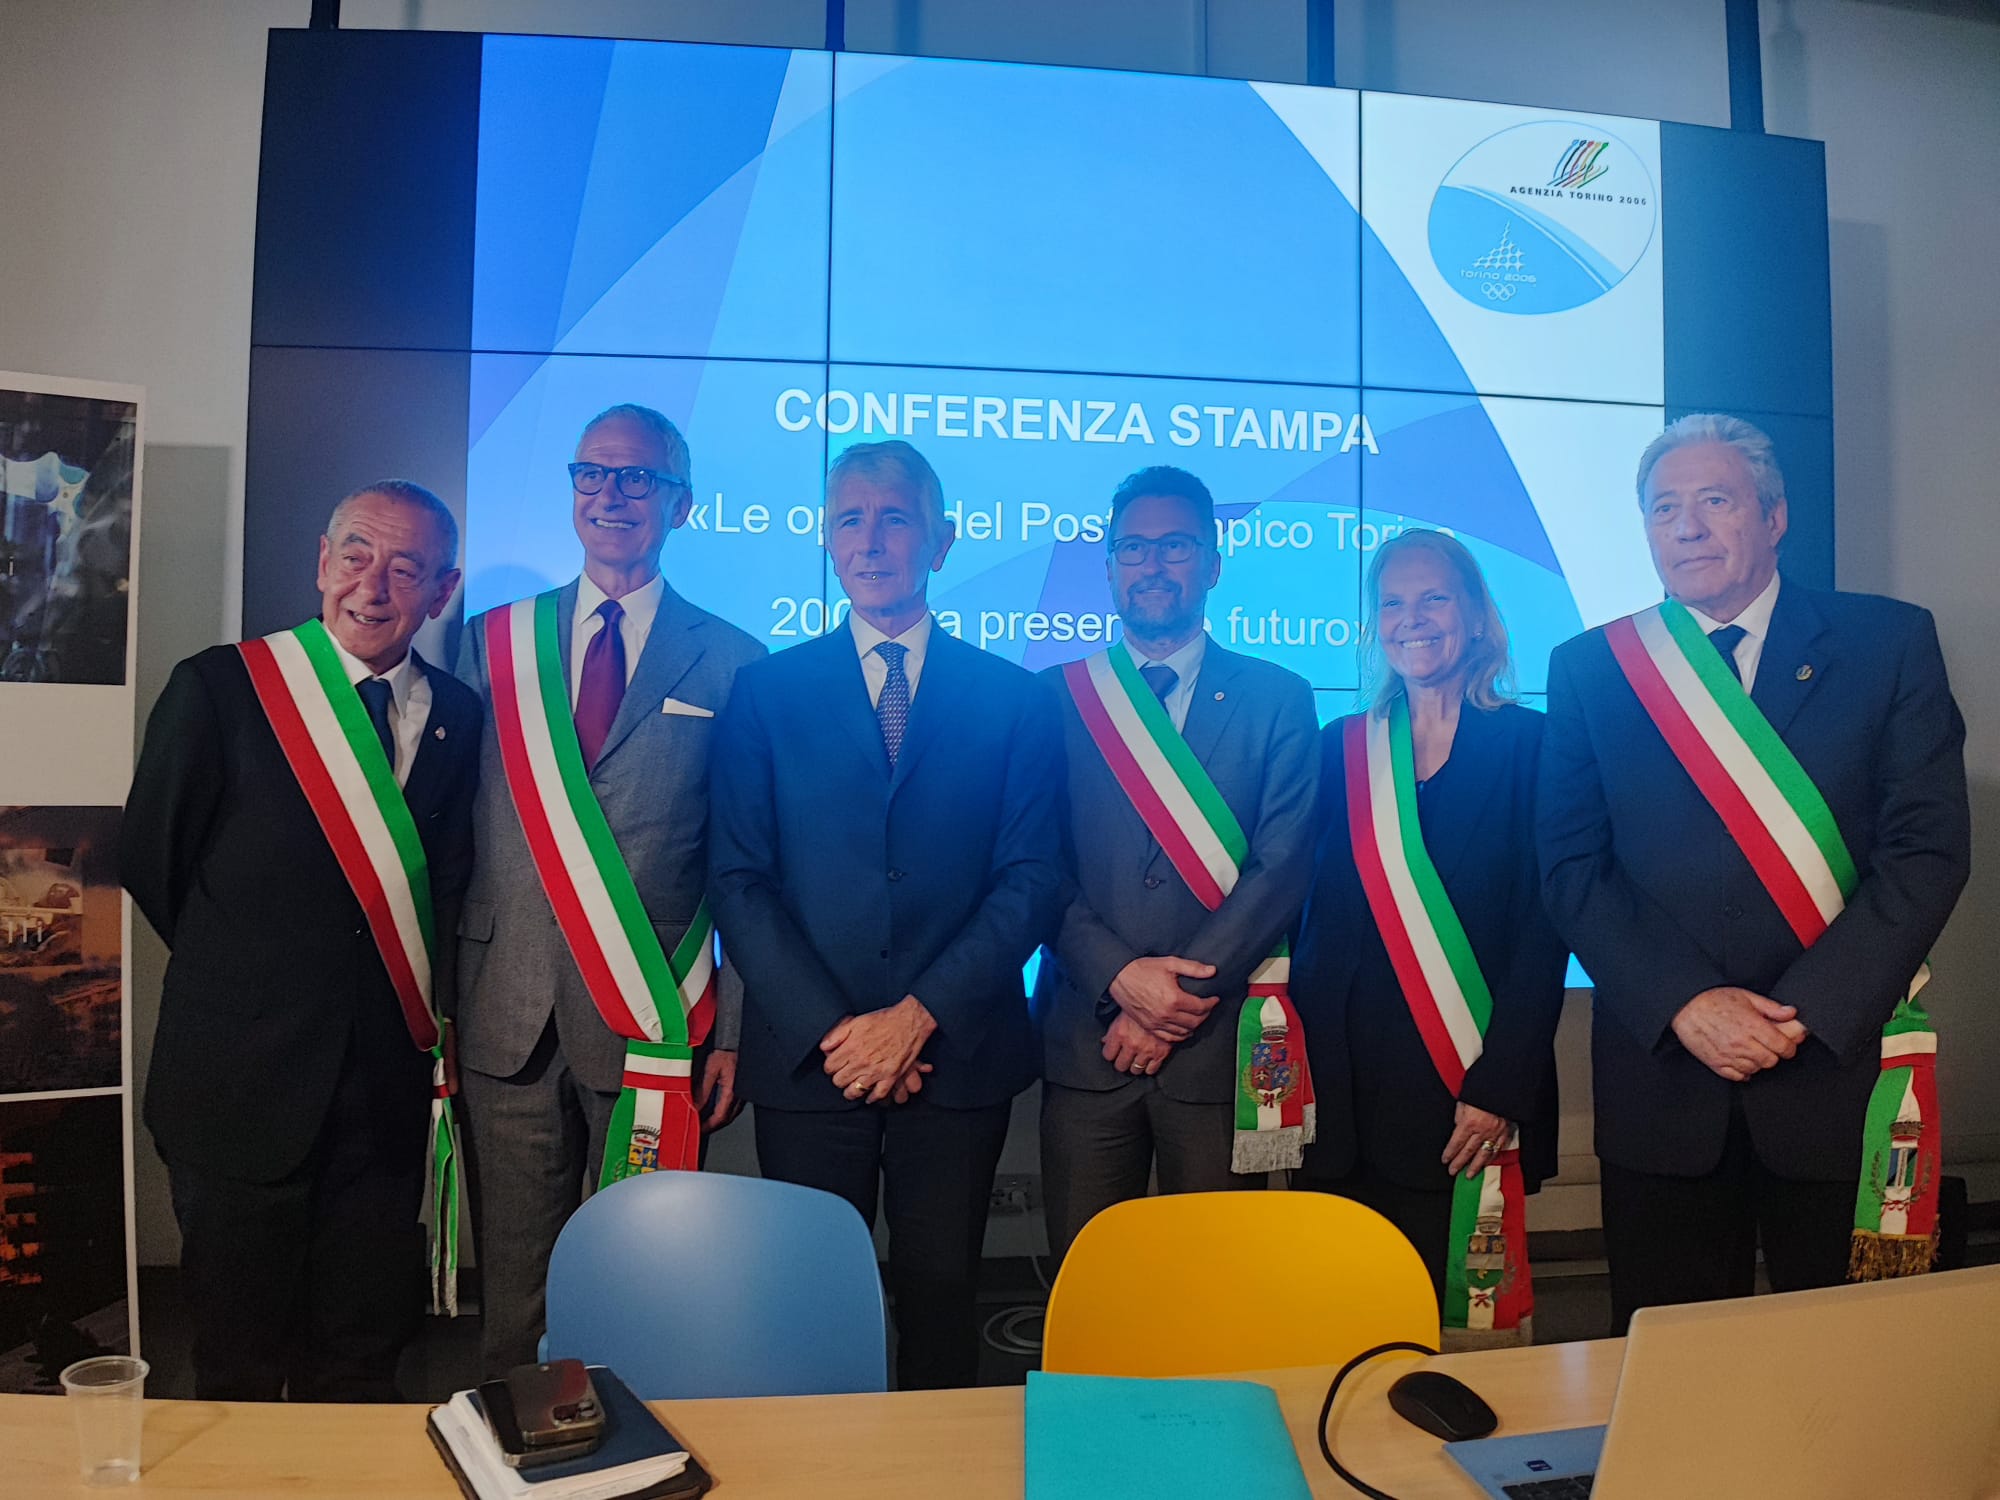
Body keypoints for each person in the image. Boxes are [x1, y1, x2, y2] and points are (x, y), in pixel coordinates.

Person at [1539, 414, 1969, 1331]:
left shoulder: (1888, 642)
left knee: (1851, 1361)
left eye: (1714, 500)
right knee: (1673, 1368)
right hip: (1665, 1079)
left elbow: (1926, 849)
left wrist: (1803, 1012)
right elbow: (1572, 867)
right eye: (1664, 508)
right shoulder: (1593, 668)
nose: (1687, 527)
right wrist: (1688, 1003)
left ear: (1774, 517)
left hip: (1833, 1072)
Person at [710, 439, 1063, 1390]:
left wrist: (915, 1019)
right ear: (828, 541)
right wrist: (843, 1034)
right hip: (811, 1062)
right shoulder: (766, 692)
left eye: (895, 518)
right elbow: (738, 879)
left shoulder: (1014, 698)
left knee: (942, 1298)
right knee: (808, 1307)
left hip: (955, 1056)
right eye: (849, 521)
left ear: (941, 541)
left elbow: (1031, 878)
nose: (870, 540)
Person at [125, 480, 477, 1400]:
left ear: (442, 591)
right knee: (238, 1366)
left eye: (406, 568)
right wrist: (260, 973)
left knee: (361, 1364)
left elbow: (444, 887)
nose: (373, 585)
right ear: (323, 562)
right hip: (237, 1088)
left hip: (380, 1103)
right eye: (356, 555)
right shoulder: (221, 688)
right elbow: (153, 863)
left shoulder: (459, 715)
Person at [454, 404, 764, 1376]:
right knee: (514, 1286)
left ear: (682, 503)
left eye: (638, 478)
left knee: (644, 1279)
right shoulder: (491, 643)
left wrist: (732, 1029)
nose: (611, 495)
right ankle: (524, 1443)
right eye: (592, 473)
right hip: (502, 1011)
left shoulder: (735, 659)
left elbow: (745, 866)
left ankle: (642, 1441)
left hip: (654, 1017)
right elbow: (443, 834)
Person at [1036, 465, 1318, 1266]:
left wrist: (1172, 1001)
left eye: (1176, 546)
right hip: (1089, 1045)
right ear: (1108, 567)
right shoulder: (1056, 698)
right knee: (1092, 1291)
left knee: (1220, 1291)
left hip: (1217, 1051)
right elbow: (1034, 865)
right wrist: (1121, 980)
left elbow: (1284, 866)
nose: (1152, 565)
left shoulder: (1279, 696)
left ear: (1214, 563)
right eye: (1132, 548)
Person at [1291, 530, 1565, 1338]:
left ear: (1477, 616)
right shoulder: (1339, 749)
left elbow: (1545, 932)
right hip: (1342, 1094)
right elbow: (1309, 913)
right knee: (1341, 1326)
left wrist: (1501, 1086)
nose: (1412, 619)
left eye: (1434, 598)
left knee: (1460, 1340)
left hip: (1463, 1090)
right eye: (1393, 603)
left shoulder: (1533, 747)